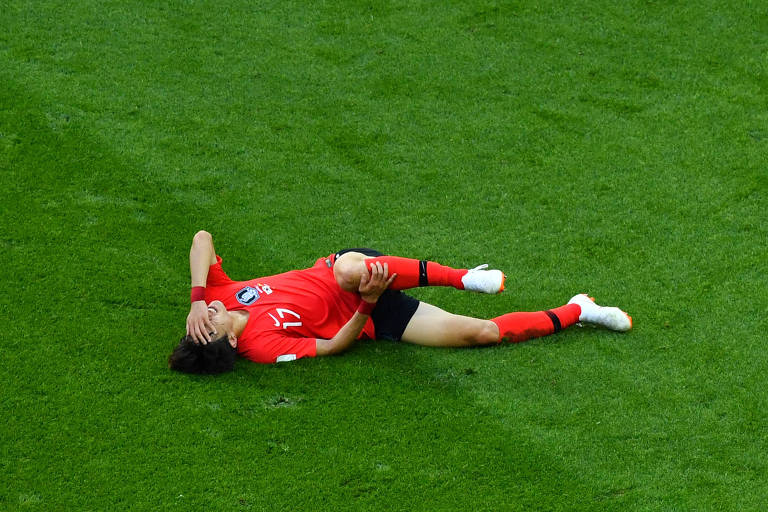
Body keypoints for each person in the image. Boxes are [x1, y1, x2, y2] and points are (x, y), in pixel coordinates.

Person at [168, 230, 632, 373]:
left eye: (198, 322)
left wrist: (195, 300)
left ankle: (465, 277)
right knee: (480, 333)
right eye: (207, 327)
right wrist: (368, 306)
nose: (206, 316)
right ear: (228, 342)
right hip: (372, 311)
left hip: (349, 270)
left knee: (348, 272)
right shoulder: (262, 347)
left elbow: (202, 238)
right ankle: (579, 309)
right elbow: (332, 347)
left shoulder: (214, 295)